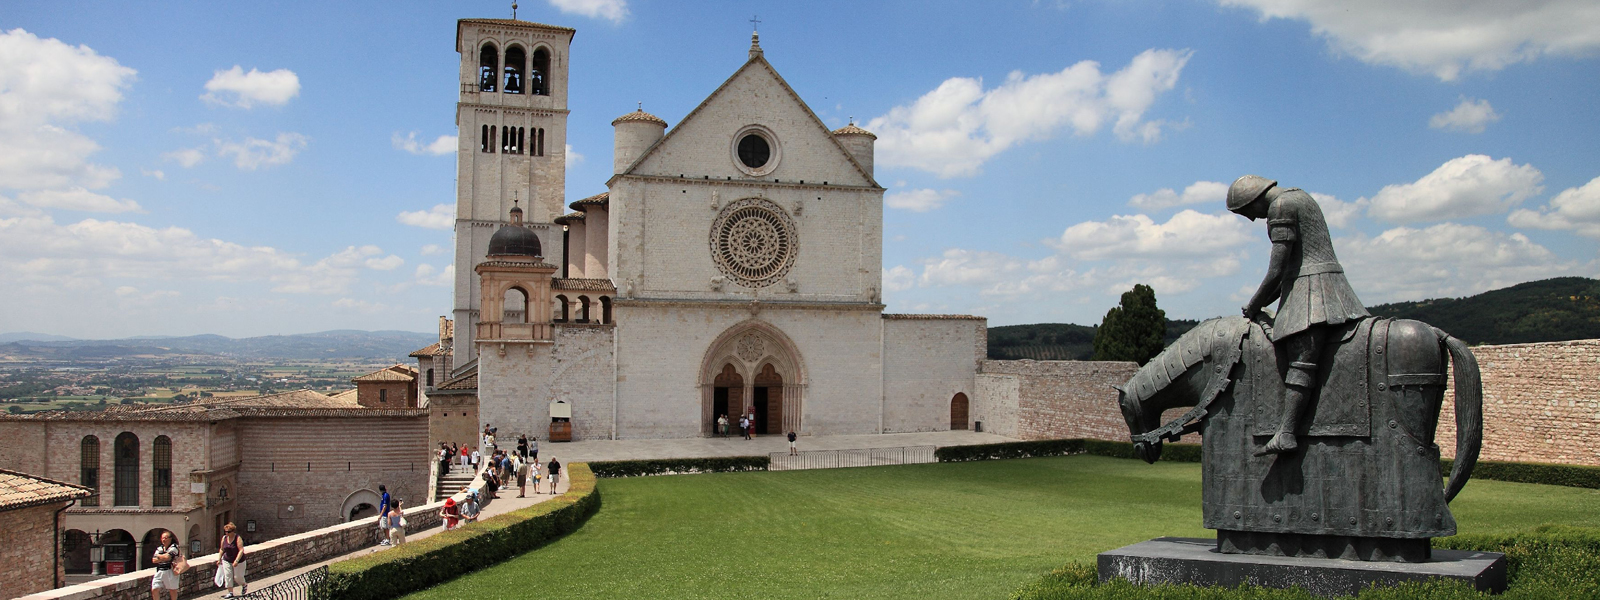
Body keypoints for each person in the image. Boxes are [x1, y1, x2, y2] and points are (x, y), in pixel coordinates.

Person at [1230, 174, 1368, 455]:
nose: (1252, 219)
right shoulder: (1299, 196)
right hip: (1314, 283)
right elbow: (1285, 276)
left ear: (1253, 199)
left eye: (1247, 212)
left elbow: (1277, 270)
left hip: (1314, 290)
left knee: (1301, 360)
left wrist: (1255, 304)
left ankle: (1287, 431)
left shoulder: (1280, 207)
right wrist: (1259, 303)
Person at [216, 522, 247, 598]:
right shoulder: (224, 538)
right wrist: (219, 558)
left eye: (228, 532)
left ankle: (244, 585)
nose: (227, 533)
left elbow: (241, 550)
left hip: (239, 561)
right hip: (227, 559)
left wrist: (236, 561)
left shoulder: (237, 538)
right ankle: (230, 592)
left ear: (233, 531)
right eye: (226, 532)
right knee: (228, 575)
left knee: (238, 577)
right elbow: (222, 549)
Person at [150, 530, 182, 600]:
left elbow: (168, 557)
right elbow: (154, 560)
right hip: (160, 571)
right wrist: (164, 557)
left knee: (172, 590)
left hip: (171, 570)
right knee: (154, 588)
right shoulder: (159, 548)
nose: (163, 539)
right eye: (162, 538)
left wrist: (159, 556)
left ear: (170, 539)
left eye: (165, 538)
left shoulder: (174, 547)